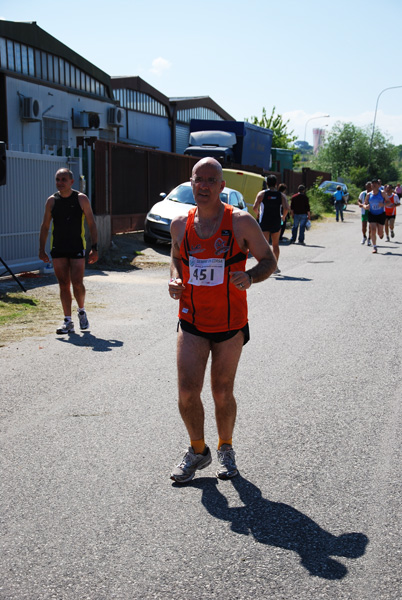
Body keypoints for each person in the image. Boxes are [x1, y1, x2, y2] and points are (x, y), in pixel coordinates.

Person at [168, 157, 277, 483]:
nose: (203, 185)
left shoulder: (241, 222)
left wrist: (250, 277)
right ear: (191, 183)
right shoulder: (179, 225)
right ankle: (198, 450)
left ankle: (225, 449)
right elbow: (176, 258)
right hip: (191, 319)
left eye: (210, 180)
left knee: (221, 391)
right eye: (197, 179)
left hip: (229, 324)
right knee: (187, 391)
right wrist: (174, 278)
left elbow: (268, 260)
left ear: (221, 186)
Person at [39, 168, 98, 333]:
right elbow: (45, 226)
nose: (60, 183)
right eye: (57, 179)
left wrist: (94, 247)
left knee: (77, 283)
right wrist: (41, 249)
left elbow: (92, 224)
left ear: (72, 182)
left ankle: (81, 311)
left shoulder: (81, 199)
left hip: (77, 246)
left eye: (63, 179)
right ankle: (67, 321)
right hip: (58, 247)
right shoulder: (52, 201)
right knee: (63, 284)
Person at [253, 174, 289, 274]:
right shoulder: (281, 195)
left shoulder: (262, 194)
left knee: (265, 245)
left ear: (267, 183)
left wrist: (258, 215)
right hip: (276, 222)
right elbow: (286, 208)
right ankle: (275, 266)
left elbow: (255, 207)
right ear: (276, 184)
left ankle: (265, 266)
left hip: (264, 221)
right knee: (275, 245)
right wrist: (283, 217)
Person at [363, 178, 387, 254]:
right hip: (372, 214)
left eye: (375, 183)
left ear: (378, 185)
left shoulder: (382, 193)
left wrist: (383, 204)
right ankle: (375, 247)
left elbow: (389, 202)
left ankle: (381, 232)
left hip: (380, 214)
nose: (373, 185)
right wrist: (365, 206)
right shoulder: (368, 194)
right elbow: (364, 203)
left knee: (379, 233)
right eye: (372, 184)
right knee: (373, 230)